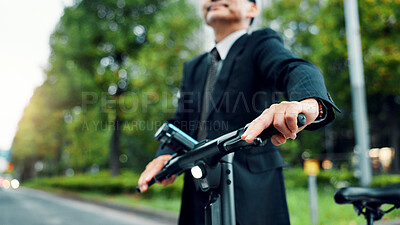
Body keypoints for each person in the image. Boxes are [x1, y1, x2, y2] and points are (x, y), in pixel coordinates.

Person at [138, 0, 340, 224]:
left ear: (252, 8)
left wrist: (308, 102)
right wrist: (164, 155)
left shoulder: (260, 44)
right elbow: (181, 120)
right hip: (198, 191)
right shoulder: (193, 67)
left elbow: (295, 68)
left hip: (252, 192)